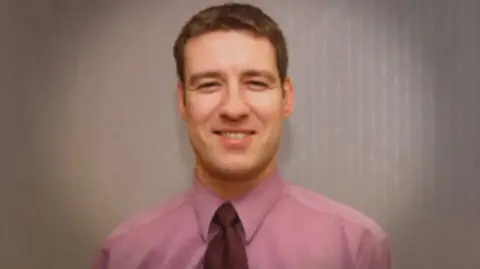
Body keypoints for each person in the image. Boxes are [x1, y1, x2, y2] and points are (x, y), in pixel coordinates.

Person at [91, 2, 392, 269]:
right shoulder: (123, 255)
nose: (233, 108)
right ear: (182, 102)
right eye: (209, 84)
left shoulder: (355, 251)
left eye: (256, 83)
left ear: (286, 98)